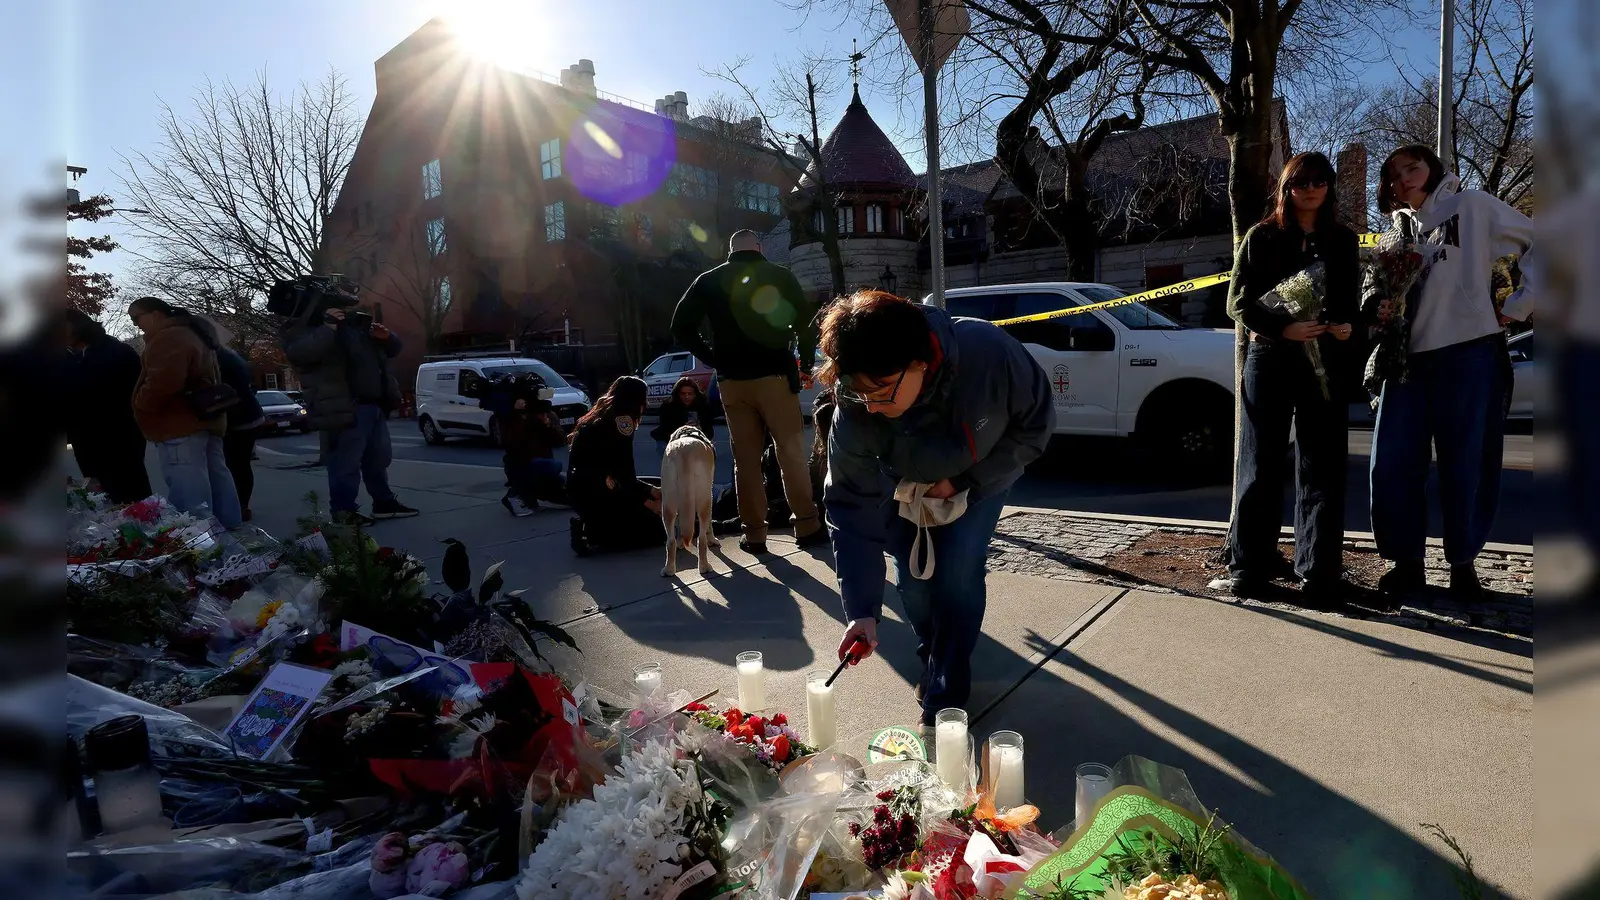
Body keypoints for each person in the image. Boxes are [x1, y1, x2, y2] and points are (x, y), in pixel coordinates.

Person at [822, 291, 1054, 726]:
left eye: (881, 392)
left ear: (919, 364)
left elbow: (1036, 426)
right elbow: (849, 505)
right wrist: (862, 612)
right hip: (902, 488)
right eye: (859, 393)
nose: (872, 407)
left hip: (979, 479)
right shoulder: (858, 403)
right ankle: (933, 652)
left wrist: (965, 482)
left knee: (958, 573)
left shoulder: (990, 355)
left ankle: (948, 687)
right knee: (913, 584)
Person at [1366, 145, 1533, 600]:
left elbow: (1546, 242)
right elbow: (1376, 292)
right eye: (1394, 174)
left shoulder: (1474, 205)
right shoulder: (1393, 236)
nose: (1404, 178)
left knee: (1468, 465)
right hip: (1408, 362)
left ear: (1433, 168)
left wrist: (1518, 305)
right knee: (1393, 465)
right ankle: (1408, 564)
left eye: (1412, 167)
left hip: (1469, 354)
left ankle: (1464, 565)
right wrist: (1379, 308)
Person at [1216, 151, 1361, 604]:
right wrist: (1282, 327)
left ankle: (1319, 571)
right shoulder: (1262, 236)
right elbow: (1237, 301)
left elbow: (1348, 301)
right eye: (1301, 182)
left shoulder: (1343, 240)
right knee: (1259, 462)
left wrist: (1343, 326)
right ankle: (1249, 567)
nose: (1310, 188)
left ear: (1330, 186)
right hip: (1271, 357)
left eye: (1319, 181)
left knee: (1322, 464)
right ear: (1287, 187)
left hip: (1324, 362)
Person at [670, 230, 827, 554]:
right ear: (758, 248)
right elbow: (805, 323)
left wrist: (714, 358)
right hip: (774, 377)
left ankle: (754, 534)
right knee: (790, 453)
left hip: (731, 381)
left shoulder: (708, 280)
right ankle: (807, 525)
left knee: (746, 460)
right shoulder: (779, 275)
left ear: (731, 250)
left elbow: (681, 325)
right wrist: (806, 362)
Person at [282, 304, 418, 525]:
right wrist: (328, 327)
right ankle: (343, 511)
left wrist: (386, 337)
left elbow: (393, 349)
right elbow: (299, 353)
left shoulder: (356, 326)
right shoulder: (307, 326)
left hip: (372, 403)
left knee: (378, 459)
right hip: (344, 405)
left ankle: (383, 502)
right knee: (345, 462)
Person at [127, 297, 243, 527]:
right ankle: (229, 534)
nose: (135, 324)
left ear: (155, 314)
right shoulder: (192, 333)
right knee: (216, 479)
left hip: (179, 424)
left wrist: (141, 405)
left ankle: (199, 544)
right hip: (201, 421)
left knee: (189, 493)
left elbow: (164, 381)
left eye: (135, 318)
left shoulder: (169, 336)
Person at [566, 376, 665, 555]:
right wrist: (649, 503)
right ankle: (593, 533)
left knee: (652, 483)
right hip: (599, 492)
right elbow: (625, 474)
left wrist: (650, 490)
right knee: (657, 532)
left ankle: (594, 526)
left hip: (583, 488)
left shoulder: (601, 415)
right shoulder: (623, 421)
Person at [60, 309, 151, 503]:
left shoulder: (115, 352)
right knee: (100, 494)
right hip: (83, 438)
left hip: (121, 434)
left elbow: (139, 390)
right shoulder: (63, 359)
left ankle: (148, 527)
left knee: (131, 490)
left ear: (77, 326)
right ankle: (115, 530)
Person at [482, 376, 568, 516]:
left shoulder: (546, 414)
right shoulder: (510, 417)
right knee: (552, 466)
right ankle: (514, 495)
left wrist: (547, 423)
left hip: (544, 466)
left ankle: (534, 494)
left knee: (571, 495)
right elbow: (510, 443)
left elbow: (560, 440)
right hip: (522, 466)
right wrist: (519, 416)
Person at [216, 346, 265, 521]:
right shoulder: (231, 355)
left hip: (238, 419)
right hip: (249, 415)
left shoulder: (217, 358)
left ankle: (238, 507)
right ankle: (241, 506)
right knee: (240, 465)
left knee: (234, 465)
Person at [650, 376, 715, 455]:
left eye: (690, 394)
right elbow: (665, 429)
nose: (686, 397)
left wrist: (699, 428)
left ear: (695, 394)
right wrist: (682, 428)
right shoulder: (668, 406)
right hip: (670, 438)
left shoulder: (703, 405)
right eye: (683, 394)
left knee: (710, 452)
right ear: (678, 394)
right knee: (665, 449)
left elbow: (709, 431)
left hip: (696, 438)